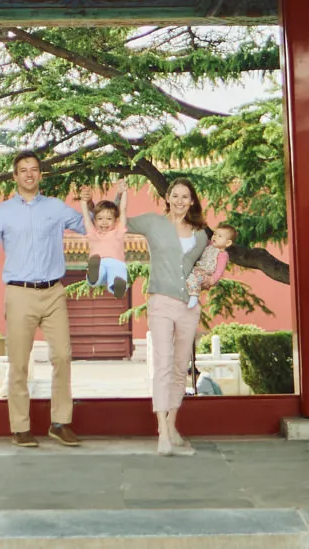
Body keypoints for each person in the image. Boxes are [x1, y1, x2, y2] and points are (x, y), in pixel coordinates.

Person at [0, 150, 85, 447]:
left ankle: (60, 423)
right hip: (19, 293)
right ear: (15, 176)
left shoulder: (55, 208)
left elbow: (87, 225)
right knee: (19, 362)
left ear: (40, 174)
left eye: (34, 169)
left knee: (62, 356)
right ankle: (20, 427)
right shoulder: (3, 212)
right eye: (23, 170)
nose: (29, 174)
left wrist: (96, 205)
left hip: (53, 292)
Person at [128, 177, 211, 455]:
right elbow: (118, 222)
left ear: (192, 201)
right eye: (175, 195)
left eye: (185, 197)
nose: (179, 201)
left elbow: (206, 267)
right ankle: (162, 433)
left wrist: (208, 280)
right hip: (161, 301)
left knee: (179, 366)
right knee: (162, 364)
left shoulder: (201, 234)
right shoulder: (153, 223)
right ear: (167, 198)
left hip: (188, 306)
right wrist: (107, 200)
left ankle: (172, 426)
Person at [78, 186, 130, 300]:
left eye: (109, 219)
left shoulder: (118, 231)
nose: (104, 222)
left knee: (118, 273)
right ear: (95, 221)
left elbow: (123, 209)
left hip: (115, 263)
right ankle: (94, 277)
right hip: (99, 263)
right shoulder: (93, 233)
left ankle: (117, 288)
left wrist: (124, 192)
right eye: (100, 219)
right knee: (102, 271)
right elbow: (86, 217)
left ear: (116, 221)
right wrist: (83, 201)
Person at [185, 224, 234, 311]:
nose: (215, 237)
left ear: (228, 243)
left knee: (194, 278)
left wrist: (213, 279)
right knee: (188, 278)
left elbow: (219, 270)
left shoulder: (222, 255)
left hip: (206, 274)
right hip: (198, 269)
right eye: (215, 234)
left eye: (220, 236)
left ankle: (194, 296)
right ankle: (188, 295)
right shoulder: (209, 245)